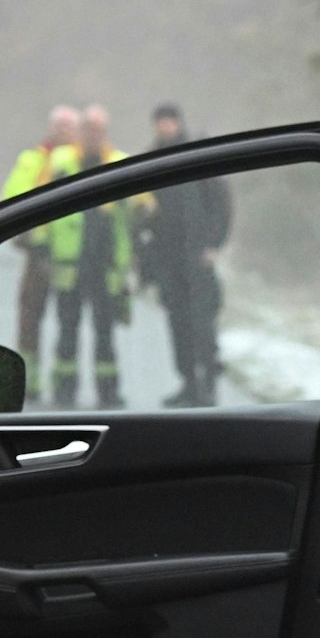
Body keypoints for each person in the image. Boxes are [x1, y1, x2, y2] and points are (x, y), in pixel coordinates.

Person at [141, 102, 233, 407]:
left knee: (202, 321)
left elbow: (222, 205)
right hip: (167, 259)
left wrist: (213, 246)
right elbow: (143, 213)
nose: (165, 126)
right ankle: (188, 383)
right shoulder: (150, 161)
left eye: (170, 121)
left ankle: (207, 382)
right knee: (177, 323)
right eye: (161, 121)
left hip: (197, 256)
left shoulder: (198, 156)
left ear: (179, 123)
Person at [46, 104, 133, 408]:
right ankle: (64, 389)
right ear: (80, 131)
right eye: (89, 129)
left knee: (105, 332)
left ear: (105, 132)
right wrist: (42, 245)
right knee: (67, 329)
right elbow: (42, 205)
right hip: (71, 262)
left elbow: (137, 207)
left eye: (99, 130)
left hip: (106, 265)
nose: (93, 135)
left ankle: (108, 392)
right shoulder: (62, 161)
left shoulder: (120, 163)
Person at [0, 105, 80, 396]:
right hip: (37, 254)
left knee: (69, 317)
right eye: (59, 126)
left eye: (69, 127)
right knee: (30, 316)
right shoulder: (33, 159)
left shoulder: (83, 161)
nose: (63, 132)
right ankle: (28, 380)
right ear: (51, 128)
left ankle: (65, 381)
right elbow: (12, 197)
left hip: (73, 257)